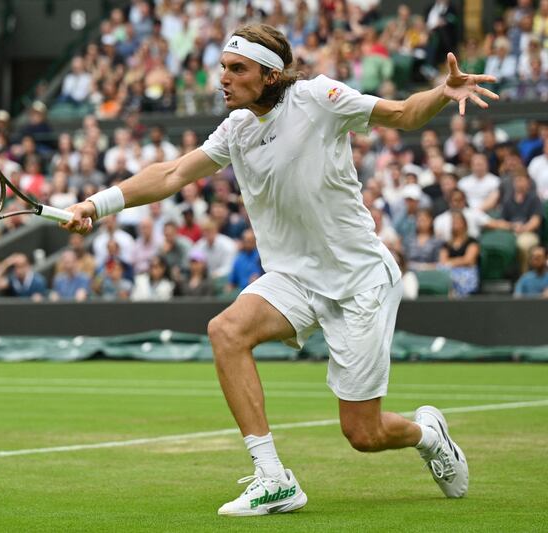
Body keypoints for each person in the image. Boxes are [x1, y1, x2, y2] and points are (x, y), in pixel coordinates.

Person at [63, 24, 492, 514]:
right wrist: (96, 205)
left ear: (269, 76)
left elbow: (400, 114)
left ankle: (428, 435)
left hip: (359, 282)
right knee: (226, 331)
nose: (223, 78)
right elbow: (172, 173)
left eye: (237, 69)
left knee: (364, 434)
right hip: (293, 279)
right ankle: (273, 477)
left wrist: (441, 93)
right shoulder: (236, 129)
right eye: (222, 67)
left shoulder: (318, 98)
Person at [438, 212, 480, 297]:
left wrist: (450, 262)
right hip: (449, 272)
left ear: (465, 224)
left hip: (467, 273)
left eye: (458, 222)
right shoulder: (446, 244)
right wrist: (459, 260)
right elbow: (442, 261)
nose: (455, 224)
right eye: (453, 222)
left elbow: (469, 260)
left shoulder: (472, 241)